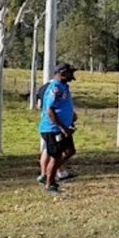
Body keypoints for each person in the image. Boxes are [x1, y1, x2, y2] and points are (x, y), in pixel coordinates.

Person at [38, 62, 78, 194]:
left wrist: (71, 116)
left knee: (69, 151)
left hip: (63, 128)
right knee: (56, 157)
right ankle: (50, 184)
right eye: (70, 73)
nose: (72, 75)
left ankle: (49, 173)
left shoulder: (64, 86)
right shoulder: (55, 88)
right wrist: (62, 128)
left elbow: (62, 106)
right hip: (53, 129)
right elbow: (50, 110)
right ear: (62, 73)